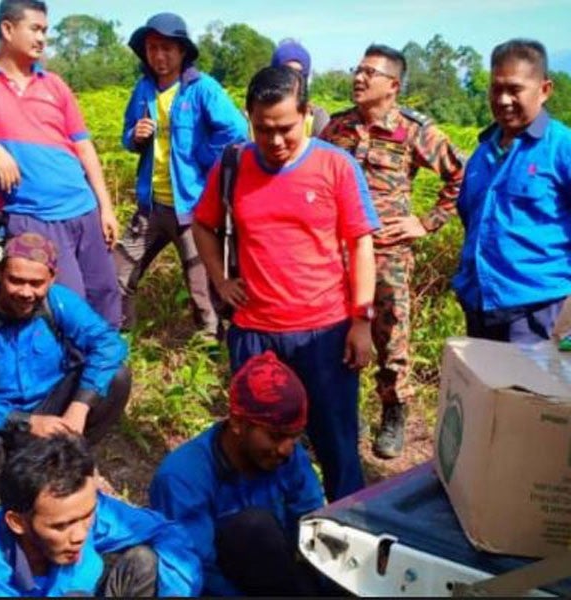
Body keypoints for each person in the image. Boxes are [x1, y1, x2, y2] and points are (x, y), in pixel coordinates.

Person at [193, 66, 379, 501]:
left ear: (307, 115)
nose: (275, 142)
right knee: (255, 445)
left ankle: (347, 528)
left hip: (325, 331)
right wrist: (220, 281)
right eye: (262, 129)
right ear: (248, 118)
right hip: (255, 331)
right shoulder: (234, 165)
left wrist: (362, 320)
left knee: (336, 444)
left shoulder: (336, 166)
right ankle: (266, 534)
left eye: (285, 129)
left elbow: (361, 245)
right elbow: (203, 226)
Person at [0, 0, 121, 328]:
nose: (42, 38)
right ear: (7, 29)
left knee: (104, 293)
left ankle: (106, 374)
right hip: (34, 217)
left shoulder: (54, 84)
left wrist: (105, 207)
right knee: (63, 305)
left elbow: (84, 147)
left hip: (83, 208)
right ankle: (67, 376)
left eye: (45, 31)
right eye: (35, 29)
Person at [320, 44, 465, 459]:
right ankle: (346, 414)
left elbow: (460, 175)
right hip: (338, 255)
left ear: (393, 85)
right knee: (334, 338)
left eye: (369, 72)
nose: (359, 78)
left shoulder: (414, 130)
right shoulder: (338, 127)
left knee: (390, 340)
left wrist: (425, 222)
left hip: (387, 256)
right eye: (358, 69)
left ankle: (394, 413)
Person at [0, 233, 131, 484]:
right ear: (0, 274)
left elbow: (108, 344)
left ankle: (66, 454)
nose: (26, 292)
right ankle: (28, 468)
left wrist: (79, 406)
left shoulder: (59, 302)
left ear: (52, 278)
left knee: (117, 377)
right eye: (16, 281)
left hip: (52, 405)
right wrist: (25, 423)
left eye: (36, 283)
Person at [150, 351, 327, 596]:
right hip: (217, 587)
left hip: (278, 574)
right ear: (237, 423)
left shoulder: (288, 457)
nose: (287, 449)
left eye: (295, 436)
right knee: (253, 527)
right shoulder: (182, 478)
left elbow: (312, 525)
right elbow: (195, 569)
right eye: (276, 436)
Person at [0, 434, 202, 597]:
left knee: (144, 562)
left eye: (87, 515)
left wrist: (176, 592)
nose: (80, 534)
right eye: (60, 526)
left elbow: (168, 533)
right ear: (17, 522)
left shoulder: (81, 510)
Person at [115, 12, 248, 337]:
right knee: (117, 274)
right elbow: (126, 136)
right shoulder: (143, 90)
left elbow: (237, 130)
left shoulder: (201, 89)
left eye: (167, 48)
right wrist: (136, 135)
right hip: (151, 206)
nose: (159, 56)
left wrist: (203, 155)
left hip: (192, 208)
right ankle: (117, 339)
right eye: (152, 48)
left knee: (202, 287)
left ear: (182, 51)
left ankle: (210, 345)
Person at [453, 39, 571, 343]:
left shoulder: (561, 147)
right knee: (485, 388)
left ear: (544, 90)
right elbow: (471, 219)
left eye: (515, 89)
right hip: (479, 305)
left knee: (527, 390)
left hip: (537, 309)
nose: (503, 100)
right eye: (496, 89)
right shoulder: (481, 153)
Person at [270, 39, 329, 137]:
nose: (292, 79)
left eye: (298, 73)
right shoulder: (254, 115)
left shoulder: (317, 117)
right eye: (286, 72)